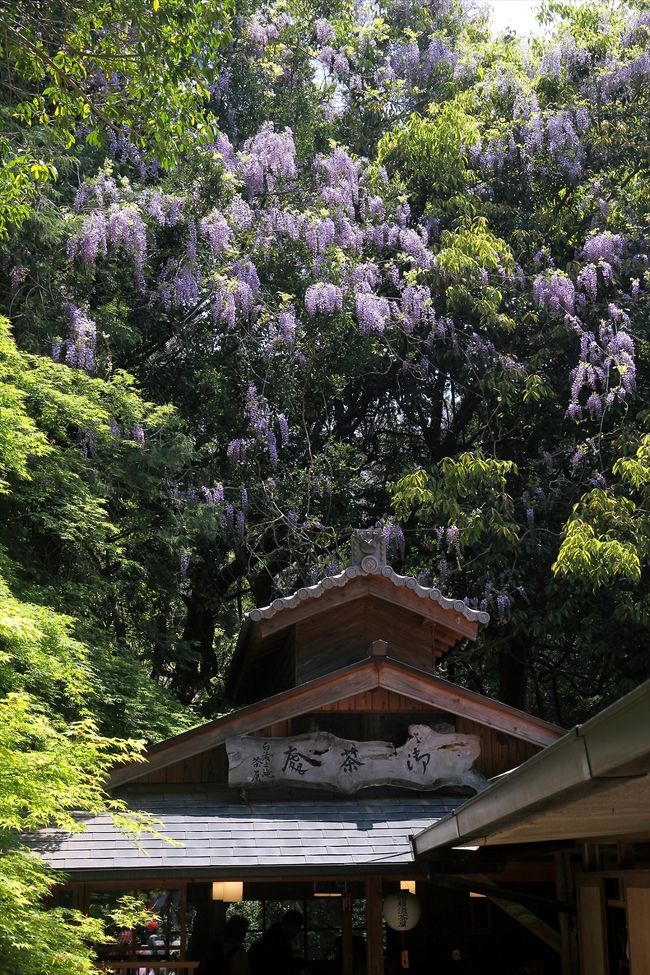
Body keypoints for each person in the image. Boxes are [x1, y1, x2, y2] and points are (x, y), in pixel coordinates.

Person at [248, 909, 303, 975]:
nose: (297, 931)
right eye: (297, 927)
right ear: (290, 924)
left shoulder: (275, 936)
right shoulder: (277, 941)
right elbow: (279, 965)